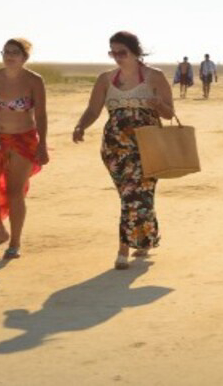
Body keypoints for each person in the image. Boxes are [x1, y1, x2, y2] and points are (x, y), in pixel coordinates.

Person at [72, 31, 175, 270]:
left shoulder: (154, 77)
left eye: (122, 52)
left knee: (133, 194)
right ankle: (146, 238)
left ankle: (123, 250)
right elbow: (93, 110)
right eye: (113, 53)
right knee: (132, 195)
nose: (117, 57)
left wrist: (158, 104)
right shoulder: (105, 79)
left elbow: (169, 113)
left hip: (148, 145)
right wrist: (80, 126)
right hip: (114, 147)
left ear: (135, 51)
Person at [0, 38, 49, 260]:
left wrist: (43, 144)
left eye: (15, 52)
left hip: (23, 140)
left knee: (15, 192)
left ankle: (15, 243)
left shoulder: (34, 80)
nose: (9, 56)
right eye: (6, 52)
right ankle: (0, 232)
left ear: (24, 57)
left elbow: (41, 114)